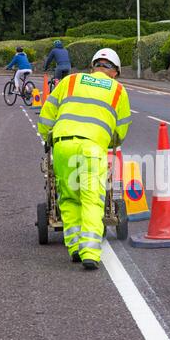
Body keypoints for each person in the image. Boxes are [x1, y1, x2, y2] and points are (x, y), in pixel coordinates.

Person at [38, 48, 131, 270]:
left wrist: (48, 138)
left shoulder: (70, 81)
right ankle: (90, 252)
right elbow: (120, 132)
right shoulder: (118, 91)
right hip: (92, 147)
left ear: (93, 67)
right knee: (92, 197)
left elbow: (47, 115)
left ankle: (75, 249)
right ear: (115, 72)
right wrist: (106, 142)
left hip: (63, 145)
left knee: (69, 198)